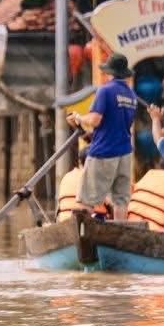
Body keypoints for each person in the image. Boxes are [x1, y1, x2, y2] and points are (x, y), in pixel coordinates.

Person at [70, 54, 141, 219]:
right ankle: (120, 231)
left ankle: (82, 233)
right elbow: (120, 124)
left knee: (86, 200)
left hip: (104, 151)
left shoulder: (105, 90)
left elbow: (95, 120)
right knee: (121, 201)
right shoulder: (131, 95)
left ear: (110, 72)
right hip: (125, 153)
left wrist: (79, 118)